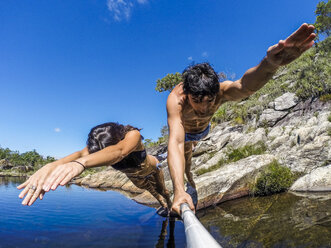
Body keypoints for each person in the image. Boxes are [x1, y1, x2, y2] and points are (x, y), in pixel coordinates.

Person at [166, 23, 316, 215]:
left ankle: (190, 179)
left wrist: (269, 64)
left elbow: (245, 86)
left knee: (188, 154)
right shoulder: (176, 100)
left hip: (203, 131)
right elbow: (176, 141)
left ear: (215, 93)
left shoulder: (220, 91)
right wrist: (178, 192)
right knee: (185, 153)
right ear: (187, 94)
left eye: (209, 101)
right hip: (185, 133)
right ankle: (187, 182)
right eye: (196, 101)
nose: (203, 108)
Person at [17, 122, 172, 212]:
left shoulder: (132, 135)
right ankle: (164, 206)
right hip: (134, 176)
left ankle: (170, 205)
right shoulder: (94, 148)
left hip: (151, 166)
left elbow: (119, 151)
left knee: (163, 191)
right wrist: (50, 166)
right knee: (154, 193)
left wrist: (81, 164)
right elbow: (78, 154)